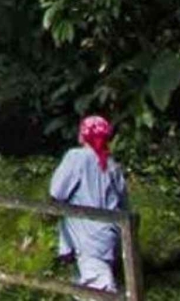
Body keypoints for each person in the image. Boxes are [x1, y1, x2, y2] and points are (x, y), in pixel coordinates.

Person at [50, 116, 128, 293]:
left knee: (100, 286)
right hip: (110, 234)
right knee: (94, 279)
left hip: (87, 234)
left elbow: (57, 192)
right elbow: (124, 203)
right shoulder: (112, 164)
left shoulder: (76, 158)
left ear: (83, 136)